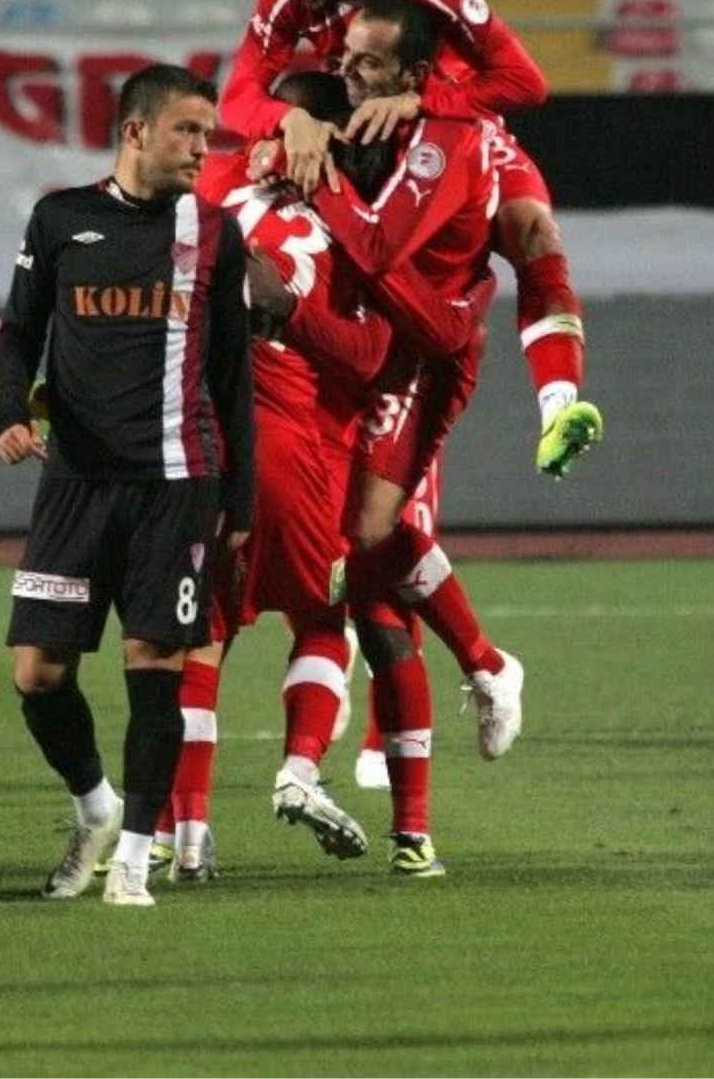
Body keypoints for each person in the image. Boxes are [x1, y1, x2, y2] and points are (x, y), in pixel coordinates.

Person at [158, 66, 496, 881]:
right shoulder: (359, 229)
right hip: (295, 453)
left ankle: (186, 836)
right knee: (335, 613)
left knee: (200, 639)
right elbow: (372, 352)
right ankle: (316, 775)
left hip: (194, 447)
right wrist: (295, 311)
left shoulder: (216, 194)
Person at [248, 0, 527, 875]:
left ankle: (487, 662)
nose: (347, 73)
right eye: (346, 61)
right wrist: (285, 132)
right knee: (365, 582)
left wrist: (312, 173)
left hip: (420, 354)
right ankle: (414, 830)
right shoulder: (369, 126)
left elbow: (372, 253)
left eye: (367, 65)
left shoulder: (444, 140)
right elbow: (248, 106)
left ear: (412, 78)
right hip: (378, 352)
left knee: (370, 542)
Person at [221, 0, 603, 485]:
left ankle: (557, 408)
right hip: (360, 136)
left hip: (449, 129)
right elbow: (238, 96)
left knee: (532, 233)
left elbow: (523, 82)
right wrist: (288, 121)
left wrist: (419, 100)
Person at [0, 63, 255, 908]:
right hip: (73, 482)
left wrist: (241, 502)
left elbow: (232, 376)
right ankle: (96, 807)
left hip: (176, 480)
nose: (201, 148)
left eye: (208, 134)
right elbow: (19, 331)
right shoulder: (61, 218)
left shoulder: (215, 234)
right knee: (38, 673)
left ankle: (137, 857)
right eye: (187, 131)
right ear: (136, 131)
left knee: (156, 666)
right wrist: (9, 411)